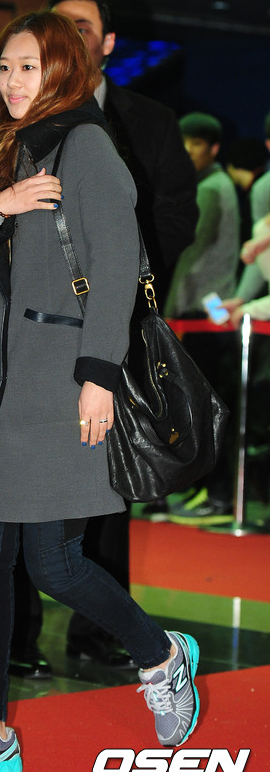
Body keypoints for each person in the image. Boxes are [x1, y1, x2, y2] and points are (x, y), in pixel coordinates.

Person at [0, 11, 200, 772]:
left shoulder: (87, 146)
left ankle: (159, 655)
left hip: (61, 380)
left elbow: (118, 266)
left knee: (54, 564)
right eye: (6, 66)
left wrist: (98, 375)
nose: (13, 81)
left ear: (65, 70)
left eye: (31, 67)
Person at [8, 0, 199, 678]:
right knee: (17, 496)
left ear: (108, 42)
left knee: (105, 484)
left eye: (83, 27)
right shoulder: (14, 118)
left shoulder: (148, 119)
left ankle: (101, 632)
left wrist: (116, 276)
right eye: (58, 25)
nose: (70, 36)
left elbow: (176, 216)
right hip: (31, 340)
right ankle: (17, 639)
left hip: (111, 328)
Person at [164, 112, 240, 524]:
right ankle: (208, 489)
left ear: (213, 148)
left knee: (206, 407)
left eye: (195, 144)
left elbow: (191, 255)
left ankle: (219, 494)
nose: (188, 151)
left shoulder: (211, 188)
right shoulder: (217, 184)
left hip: (204, 312)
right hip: (210, 309)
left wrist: (170, 312)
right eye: (184, 143)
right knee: (205, 406)